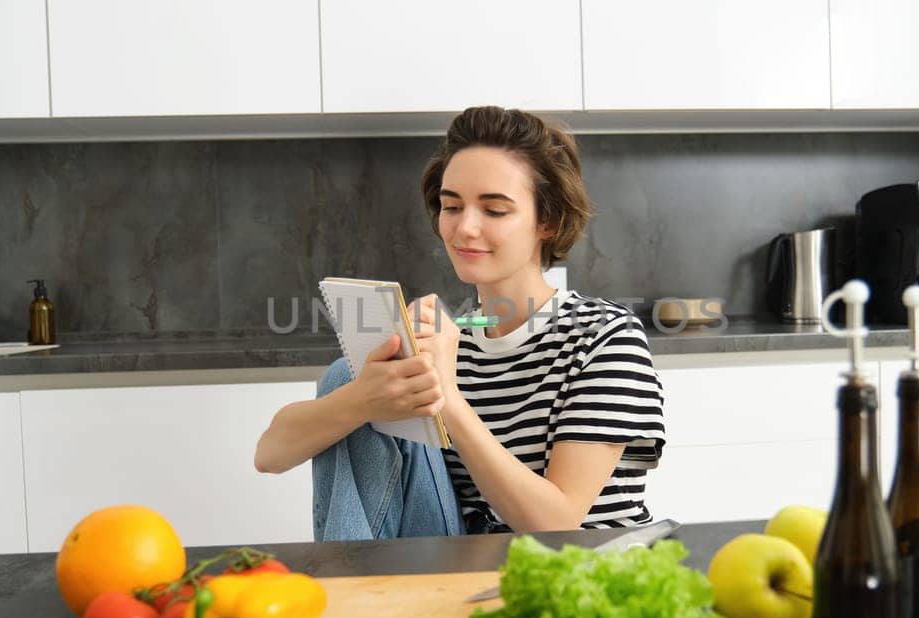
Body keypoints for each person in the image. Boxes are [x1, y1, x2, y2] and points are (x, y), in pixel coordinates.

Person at [254, 105, 665, 538]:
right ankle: (359, 588)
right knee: (350, 379)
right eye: (452, 206)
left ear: (549, 220)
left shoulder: (604, 337)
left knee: (395, 381)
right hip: (462, 563)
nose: (465, 228)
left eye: (494, 210)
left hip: (570, 569)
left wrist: (446, 396)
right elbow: (270, 455)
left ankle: (359, 593)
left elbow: (556, 524)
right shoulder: (449, 340)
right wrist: (368, 396)